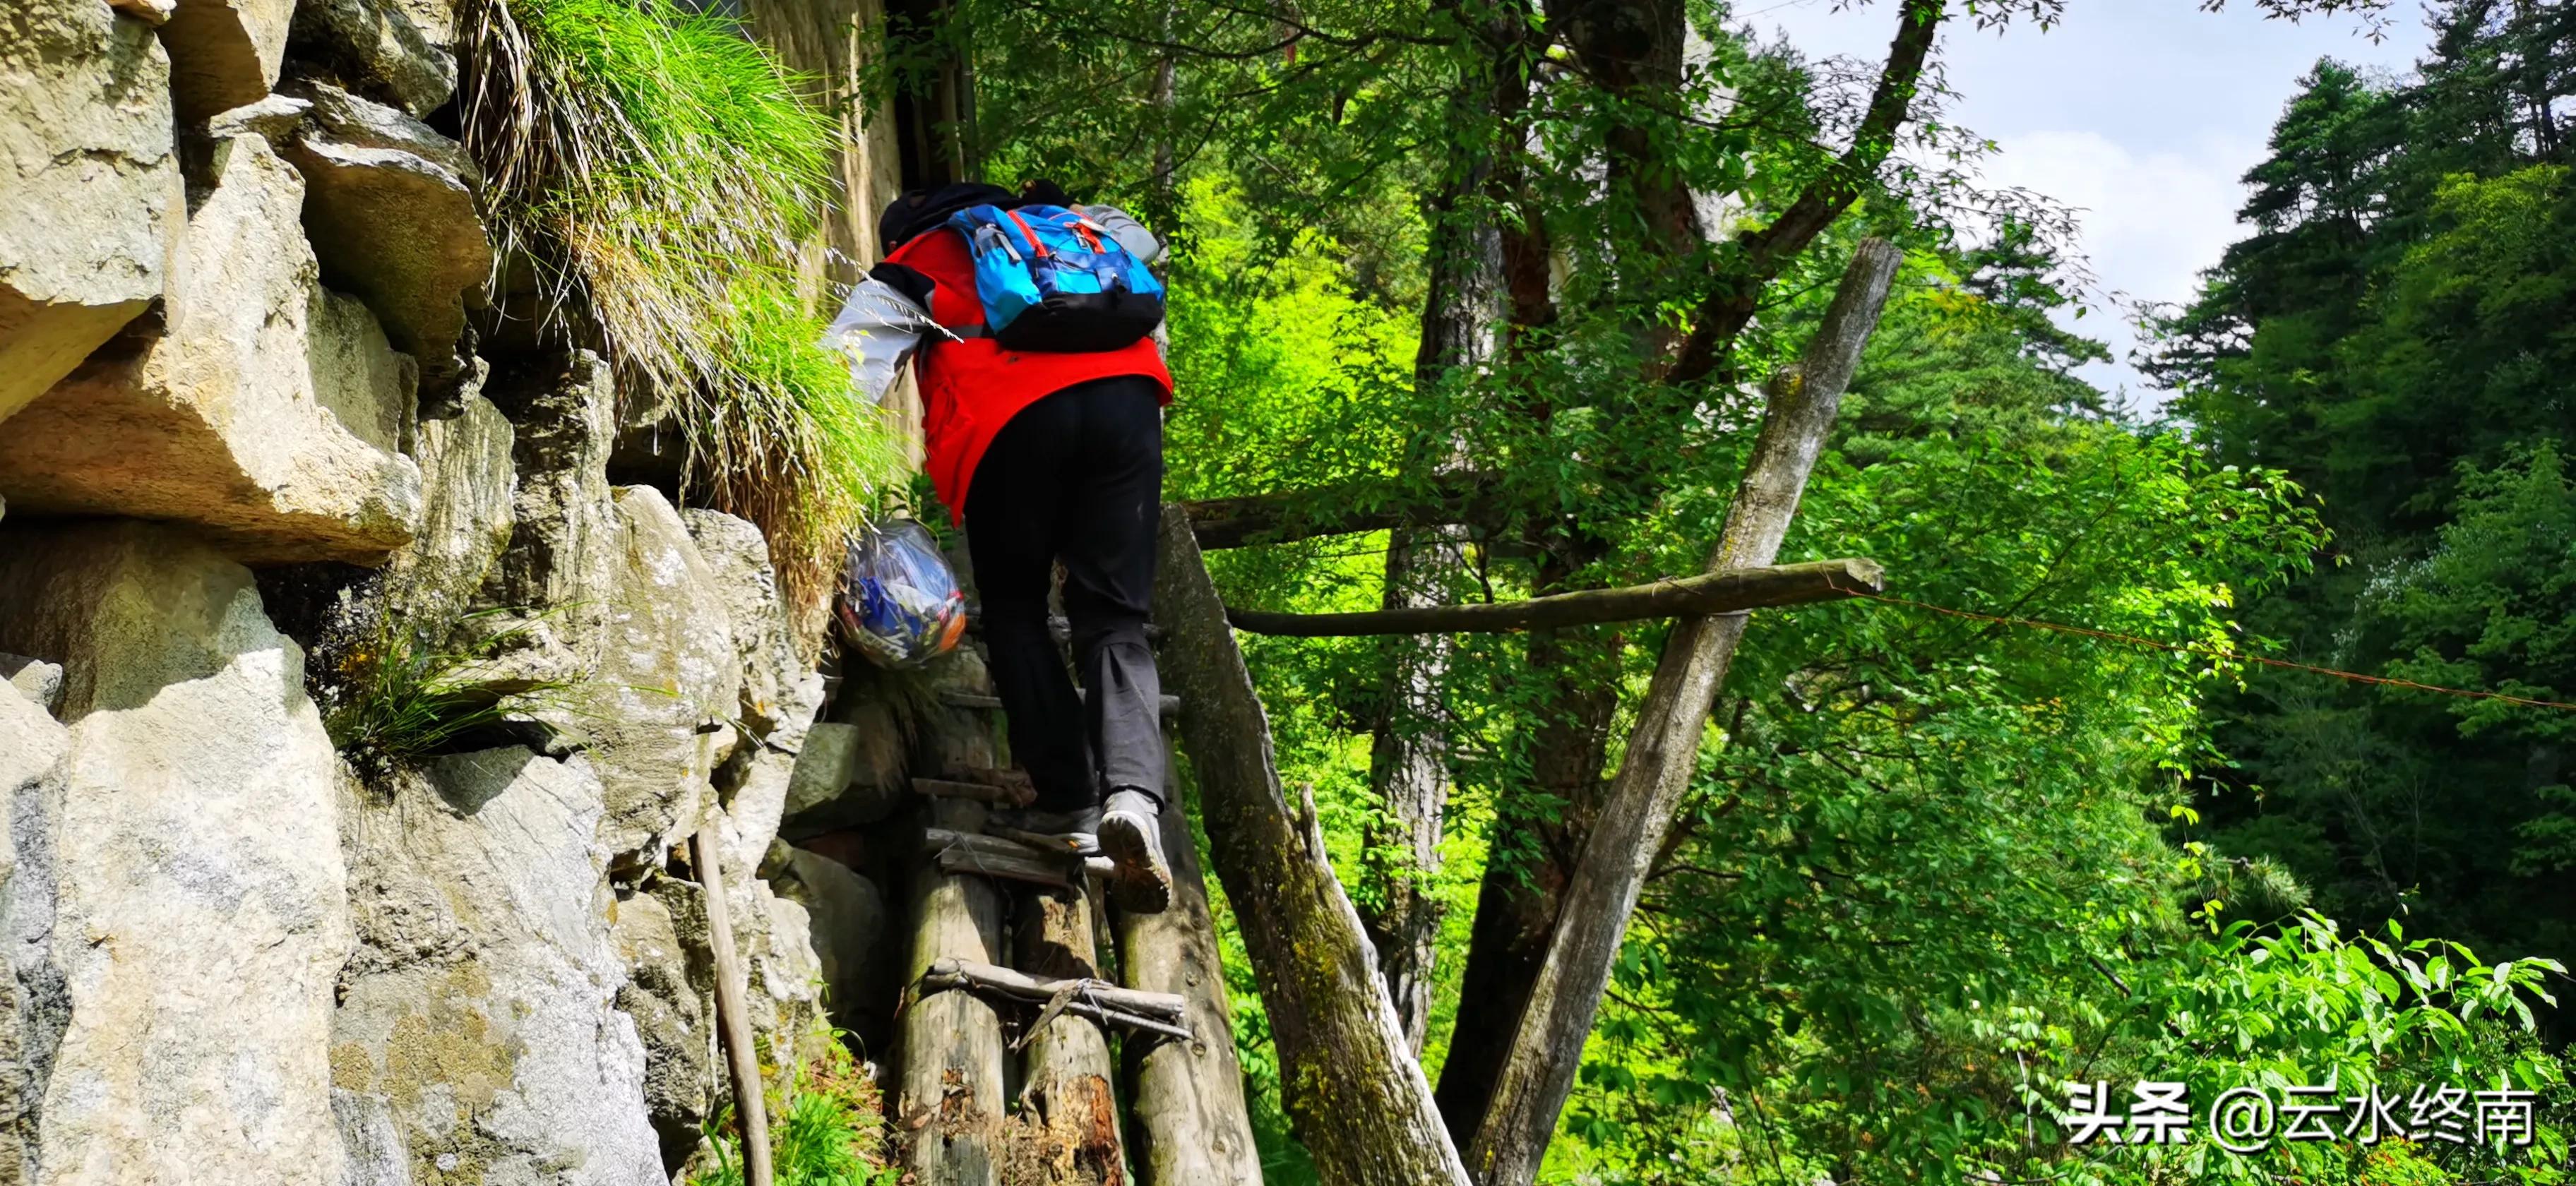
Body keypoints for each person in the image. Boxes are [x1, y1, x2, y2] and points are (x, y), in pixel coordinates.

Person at [875, 180, 1175, 914]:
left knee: (1014, 613)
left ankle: (1070, 802)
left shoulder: (920, 259)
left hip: (1009, 425)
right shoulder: (1078, 233)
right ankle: (1134, 799)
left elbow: (845, 364)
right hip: (1128, 406)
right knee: (1115, 618)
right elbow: (1150, 260)